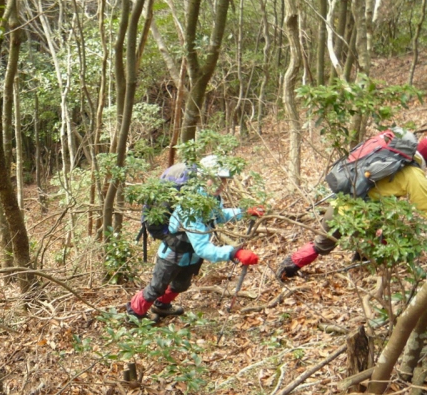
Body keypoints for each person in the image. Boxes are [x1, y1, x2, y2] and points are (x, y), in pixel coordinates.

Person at [127, 155, 264, 321]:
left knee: (181, 285)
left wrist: (243, 212)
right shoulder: (191, 206)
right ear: (202, 178)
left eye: (223, 180)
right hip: (173, 253)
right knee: (157, 287)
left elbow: (218, 215)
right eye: (215, 179)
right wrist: (234, 253)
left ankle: (162, 306)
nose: (221, 184)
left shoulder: (211, 198)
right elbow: (203, 248)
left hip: (191, 255)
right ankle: (135, 313)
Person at [277, 136, 427, 280]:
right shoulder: (414, 175)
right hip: (360, 216)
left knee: (321, 244)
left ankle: (291, 264)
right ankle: (362, 263)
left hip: (340, 203)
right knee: (386, 237)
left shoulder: (390, 156)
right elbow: (424, 207)